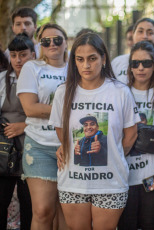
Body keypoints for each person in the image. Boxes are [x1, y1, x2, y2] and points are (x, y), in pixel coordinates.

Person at [49, 32, 139, 229]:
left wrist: (111, 153)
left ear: (103, 58)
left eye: (92, 59)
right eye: (80, 60)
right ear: (74, 61)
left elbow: (131, 134)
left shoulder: (120, 91)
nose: (86, 65)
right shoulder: (63, 92)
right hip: (73, 181)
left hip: (111, 182)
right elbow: (60, 129)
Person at [117, 40, 154, 230]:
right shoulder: (121, 92)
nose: (140, 68)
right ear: (130, 67)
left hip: (153, 174)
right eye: (135, 63)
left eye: (146, 63)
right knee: (127, 225)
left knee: (151, 224)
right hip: (125, 174)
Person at [16, 23, 68, 229]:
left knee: (67, 211)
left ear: (66, 42)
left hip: (71, 145)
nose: (52, 44)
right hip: (39, 146)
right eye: (46, 41)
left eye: (57, 39)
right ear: (40, 45)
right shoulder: (32, 67)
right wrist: (69, 109)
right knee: (43, 210)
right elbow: (30, 108)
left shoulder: (76, 66)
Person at [0, 33, 35, 230]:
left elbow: (52, 115)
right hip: (4, 152)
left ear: (33, 54)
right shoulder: (2, 80)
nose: (18, 60)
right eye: (13, 55)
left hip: (32, 149)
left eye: (23, 54)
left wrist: (24, 126)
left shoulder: (41, 79)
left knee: (29, 206)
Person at [111, 18, 154, 84]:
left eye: (150, 33)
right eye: (140, 31)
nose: (144, 36)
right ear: (133, 35)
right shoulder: (117, 62)